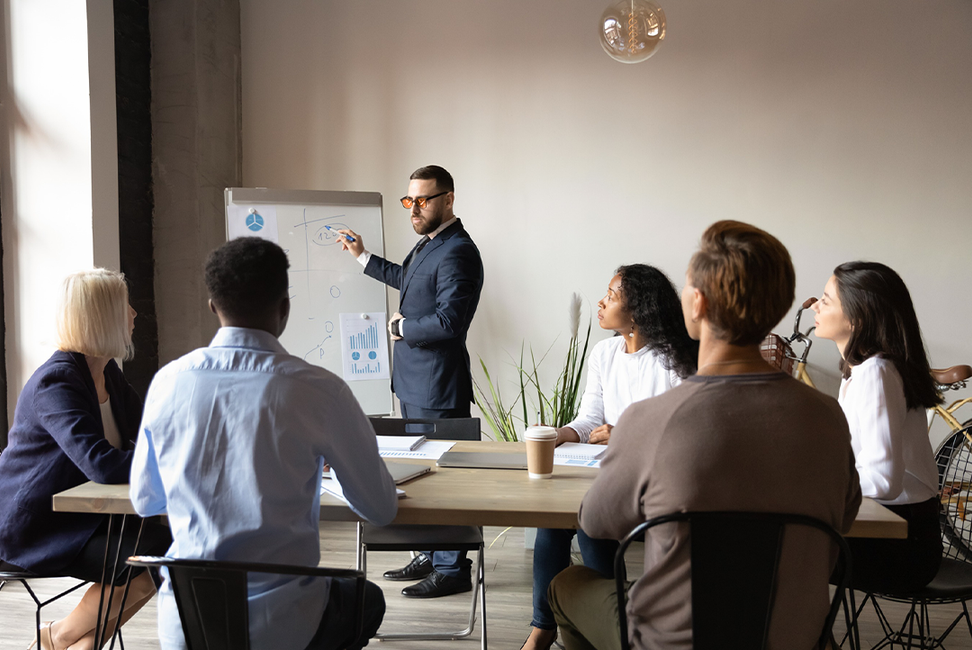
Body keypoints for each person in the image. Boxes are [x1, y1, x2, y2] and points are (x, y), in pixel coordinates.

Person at [548, 221, 862, 650]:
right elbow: (843, 518)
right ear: (781, 304)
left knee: (567, 584)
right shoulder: (828, 415)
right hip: (797, 639)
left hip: (674, 641)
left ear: (696, 303)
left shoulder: (650, 419)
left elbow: (597, 522)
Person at [130, 237, 398, 650]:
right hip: (286, 627)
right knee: (368, 600)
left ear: (212, 307)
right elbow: (380, 509)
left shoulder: (168, 382)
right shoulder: (321, 391)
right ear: (285, 308)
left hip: (188, 622)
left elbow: (146, 501)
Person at [522, 264, 697, 650]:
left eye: (612, 296)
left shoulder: (674, 360)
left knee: (588, 517)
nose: (601, 302)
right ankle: (543, 627)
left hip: (653, 478)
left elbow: (682, 431)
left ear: (637, 310)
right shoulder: (604, 352)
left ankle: (601, 613)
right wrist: (560, 435)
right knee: (551, 518)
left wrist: (624, 435)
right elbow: (590, 418)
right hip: (605, 471)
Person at [0, 269, 170, 650]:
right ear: (102, 317)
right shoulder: (56, 382)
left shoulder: (108, 374)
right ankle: (58, 637)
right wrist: (177, 466)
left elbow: (153, 437)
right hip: (35, 527)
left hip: (81, 520)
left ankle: (68, 642)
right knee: (163, 554)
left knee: (170, 549)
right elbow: (102, 464)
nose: (133, 313)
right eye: (124, 305)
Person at [337, 165, 484, 599]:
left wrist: (401, 330)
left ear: (448, 199)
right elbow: (410, 281)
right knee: (421, 472)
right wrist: (363, 257)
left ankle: (452, 567)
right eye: (409, 200)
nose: (414, 208)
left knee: (442, 477)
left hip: (437, 386)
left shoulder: (458, 250)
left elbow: (450, 321)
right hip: (415, 383)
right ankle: (430, 552)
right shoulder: (430, 245)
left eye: (423, 200)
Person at [811, 261, 943, 592]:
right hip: (903, 534)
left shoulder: (876, 373)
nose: (815, 305)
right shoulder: (863, 371)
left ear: (857, 317)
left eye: (826, 300)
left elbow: (883, 480)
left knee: (779, 549)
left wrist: (814, 486)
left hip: (904, 546)